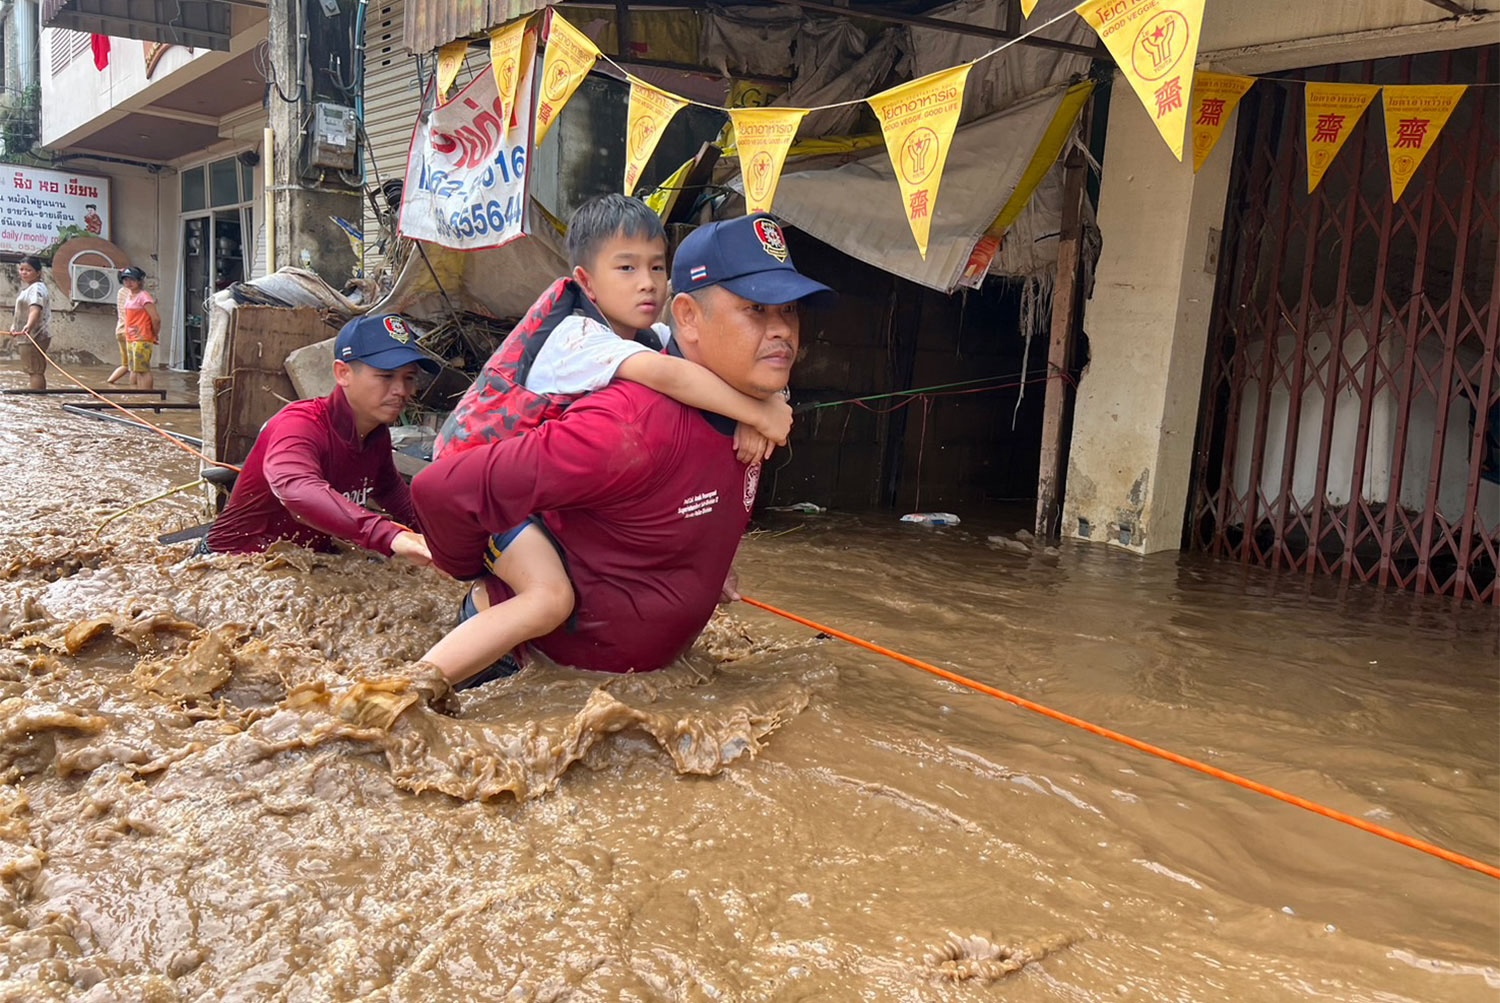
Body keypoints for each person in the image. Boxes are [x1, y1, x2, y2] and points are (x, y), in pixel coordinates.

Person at [411, 213, 834, 690]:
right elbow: (438, 489)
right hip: (519, 670)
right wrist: (464, 565)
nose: (782, 331)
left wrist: (704, 569)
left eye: (790, 310)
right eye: (756, 309)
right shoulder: (627, 422)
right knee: (544, 599)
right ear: (689, 317)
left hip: (633, 690)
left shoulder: (755, 412)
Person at [203, 313, 438, 564]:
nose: (401, 391)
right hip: (235, 567)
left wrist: (445, 539)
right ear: (343, 373)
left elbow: (392, 492)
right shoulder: (299, 425)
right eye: (386, 376)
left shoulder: (376, 436)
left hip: (308, 564)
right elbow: (296, 490)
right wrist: (389, 535)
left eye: (409, 378)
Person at [113, 267, 160, 391]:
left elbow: (155, 319)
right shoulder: (129, 295)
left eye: (132, 279)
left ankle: (147, 397)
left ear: (139, 281)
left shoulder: (144, 297)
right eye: (126, 280)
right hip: (131, 337)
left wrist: (154, 334)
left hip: (142, 338)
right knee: (136, 369)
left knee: (143, 370)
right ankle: (139, 395)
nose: (129, 282)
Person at [8, 257, 51, 391]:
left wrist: (28, 326)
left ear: (38, 272)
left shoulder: (36, 288)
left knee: (35, 370)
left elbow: (35, 309)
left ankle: (37, 398)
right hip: (28, 334)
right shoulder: (30, 289)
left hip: (34, 334)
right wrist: (14, 326)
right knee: (33, 369)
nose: (24, 272)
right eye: (21, 269)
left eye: (28, 270)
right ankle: (37, 397)